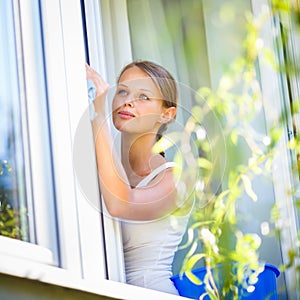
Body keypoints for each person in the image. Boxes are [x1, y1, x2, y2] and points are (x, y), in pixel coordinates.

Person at [86, 60, 193, 295]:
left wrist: (97, 114)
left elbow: (120, 203)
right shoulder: (103, 167)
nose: (127, 100)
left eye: (144, 96)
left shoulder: (175, 180)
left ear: (167, 114)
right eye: (122, 91)